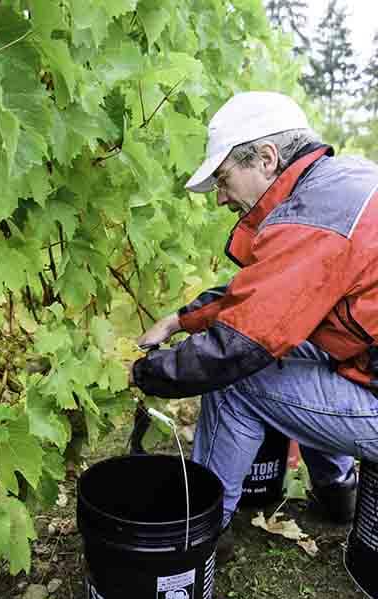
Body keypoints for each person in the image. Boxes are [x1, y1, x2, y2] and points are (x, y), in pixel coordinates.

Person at [128, 91, 378, 562]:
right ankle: (337, 490)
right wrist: (181, 320)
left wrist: (143, 372)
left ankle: (198, 533)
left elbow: (236, 347)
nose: (220, 197)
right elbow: (266, 291)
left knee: (236, 380)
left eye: (223, 179)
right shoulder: (339, 187)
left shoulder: (317, 218)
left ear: (267, 159)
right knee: (297, 339)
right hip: (367, 361)